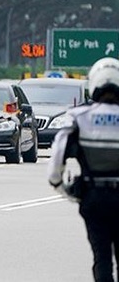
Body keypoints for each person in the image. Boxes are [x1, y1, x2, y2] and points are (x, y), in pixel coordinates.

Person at [48, 57, 119, 282]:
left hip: (93, 198)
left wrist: (61, 186)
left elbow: (58, 155)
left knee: (102, 257)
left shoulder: (79, 117)